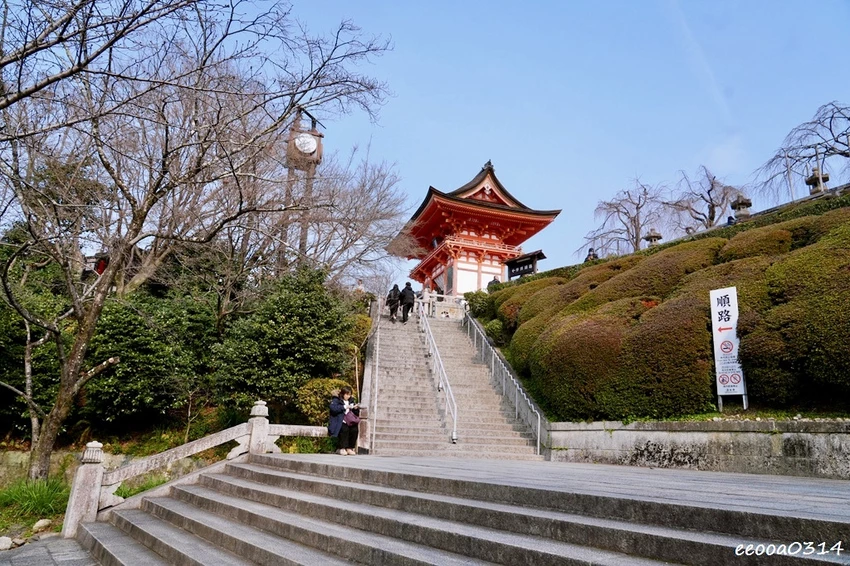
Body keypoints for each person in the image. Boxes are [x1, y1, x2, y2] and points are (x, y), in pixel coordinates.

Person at [328, 386, 359, 455]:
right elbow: (333, 408)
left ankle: (350, 448)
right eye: (347, 394)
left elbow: (356, 413)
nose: (348, 396)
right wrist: (344, 407)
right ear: (343, 394)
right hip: (340, 420)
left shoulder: (351, 400)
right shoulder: (336, 400)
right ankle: (341, 448)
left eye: (349, 394)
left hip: (350, 420)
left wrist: (355, 408)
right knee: (344, 429)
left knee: (354, 430)